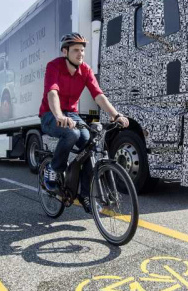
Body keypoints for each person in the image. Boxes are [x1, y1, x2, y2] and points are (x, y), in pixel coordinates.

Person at [39, 32, 129, 212]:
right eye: (75, 51)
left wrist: (115, 115)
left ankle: (85, 194)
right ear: (65, 52)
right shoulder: (54, 66)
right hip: (50, 114)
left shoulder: (86, 70)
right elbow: (52, 93)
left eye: (82, 50)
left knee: (91, 144)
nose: (80, 54)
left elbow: (98, 94)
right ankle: (53, 169)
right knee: (71, 134)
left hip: (72, 114)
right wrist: (58, 116)